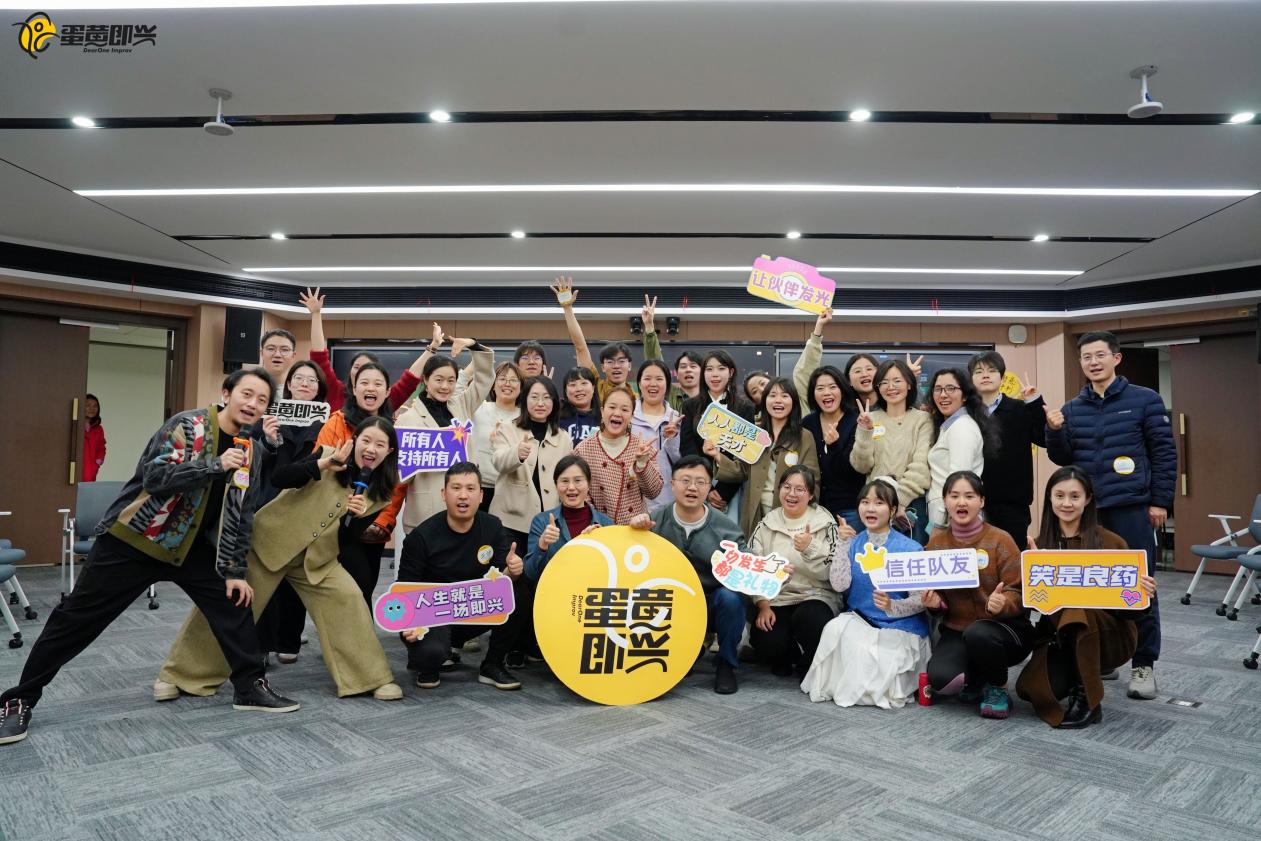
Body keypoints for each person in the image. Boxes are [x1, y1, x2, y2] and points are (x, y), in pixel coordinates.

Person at [0, 368, 299, 746]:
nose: (253, 404)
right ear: (227, 393)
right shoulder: (188, 426)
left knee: (234, 601)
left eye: (262, 400)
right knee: (74, 620)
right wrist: (215, 465)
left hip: (189, 548)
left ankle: (249, 685)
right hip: (135, 540)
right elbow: (155, 477)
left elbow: (242, 515)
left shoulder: (251, 450)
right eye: (247, 394)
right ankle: (19, 699)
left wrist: (235, 570)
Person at [155, 417, 405, 703]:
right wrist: (323, 464)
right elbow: (280, 478)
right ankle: (179, 675)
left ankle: (371, 679)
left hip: (317, 560)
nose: (371, 448)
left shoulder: (380, 493)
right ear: (355, 440)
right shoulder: (327, 455)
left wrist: (356, 518)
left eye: (380, 444)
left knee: (350, 600)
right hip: (269, 545)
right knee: (229, 606)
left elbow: (347, 540)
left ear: (389, 451)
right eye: (366, 440)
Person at [1045, 330, 1175, 701]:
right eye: (1087, 357)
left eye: (1100, 355)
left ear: (1116, 358)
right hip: (1088, 513)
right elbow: (1062, 457)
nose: (1093, 362)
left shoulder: (1145, 400)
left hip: (1132, 506)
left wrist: (1160, 502)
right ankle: (1105, 653)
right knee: (1092, 583)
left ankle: (1143, 664)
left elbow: (1164, 453)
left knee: (1138, 584)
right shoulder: (1073, 408)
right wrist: (1054, 431)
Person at [1015, 467, 1158, 728]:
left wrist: (1142, 594)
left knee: (1076, 609)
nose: (1066, 503)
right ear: (1049, 498)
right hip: (1060, 638)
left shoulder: (1111, 543)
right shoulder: (1038, 545)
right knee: (1030, 690)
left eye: (1075, 496)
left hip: (1110, 635)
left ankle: (1089, 701)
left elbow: (1132, 612)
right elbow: (1027, 603)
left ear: (1088, 499)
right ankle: (1076, 680)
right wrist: (1031, 574)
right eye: (1059, 496)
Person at [396, 462, 528, 691]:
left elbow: (501, 580)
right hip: (433, 616)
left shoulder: (493, 526)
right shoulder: (421, 536)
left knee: (519, 588)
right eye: (456, 488)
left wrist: (512, 571)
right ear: (444, 494)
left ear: (481, 495)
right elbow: (404, 590)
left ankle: (492, 664)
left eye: (470, 488)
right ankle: (427, 659)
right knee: (430, 655)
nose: (463, 495)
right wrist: (410, 623)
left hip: (474, 610)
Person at [802, 479, 931, 709]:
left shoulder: (911, 548)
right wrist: (842, 544)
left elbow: (921, 600)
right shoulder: (853, 542)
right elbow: (839, 585)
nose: (870, 508)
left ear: (893, 510)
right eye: (865, 502)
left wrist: (892, 606)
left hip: (901, 627)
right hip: (861, 620)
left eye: (879, 503)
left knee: (870, 663)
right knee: (833, 630)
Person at [629, 456, 748, 694]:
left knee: (732, 598)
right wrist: (633, 530)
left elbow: (746, 560)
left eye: (700, 482)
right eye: (685, 480)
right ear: (672, 484)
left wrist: (774, 572)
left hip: (711, 604)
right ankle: (684, 652)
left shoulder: (725, 526)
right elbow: (631, 559)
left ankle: (725, 664)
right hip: (671, 603)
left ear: (709, 487)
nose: (692, 487)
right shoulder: (655, 521)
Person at [923, 471, 1032, 720]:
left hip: (1003, 630)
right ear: (945, 501)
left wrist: (1004, 603)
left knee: (979, 633)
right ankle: (978, 676)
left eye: (969, 496)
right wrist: (935, 604)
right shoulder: (936, 544)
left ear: (981, 501)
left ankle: (997, 687)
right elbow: (937, 596)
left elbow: (1021, 592)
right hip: (957, 630)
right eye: (954, 496)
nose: (961, 502)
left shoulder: (1000, 539)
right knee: (941, 680)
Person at [256, 359, 328, 662]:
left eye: (312, 380)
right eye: (299, 378)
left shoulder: (327, 421)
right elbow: (255, 459)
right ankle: (261, 645)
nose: (305, 384)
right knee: (264, 576)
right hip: (271, 503)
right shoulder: (270, 415)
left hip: (306, 504)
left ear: (319, 388)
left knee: (296, 575)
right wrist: (268, 440)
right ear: (289, 384)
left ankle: (288, 640)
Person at [394, 327, 495, 531]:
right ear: (425, 380)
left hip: (463, 508)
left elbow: (484, 380)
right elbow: (397, 473)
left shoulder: (462, 404)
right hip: (425, 511)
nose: (445, 387)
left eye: (451, 381)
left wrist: (473, 345)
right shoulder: (406, 419)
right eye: (438, 380)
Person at [316, 361, 403, 594]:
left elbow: (397, 483)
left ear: (387, 392)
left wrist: (381, 522)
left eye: (378, 384)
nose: (370, 388)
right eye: (364, 382)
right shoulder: (335, 423)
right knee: (335, 592)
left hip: (373, 528)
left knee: (365, 587)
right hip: (334, 525)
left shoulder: (396, 429)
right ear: (354, 389)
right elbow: (321, 470)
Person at [747, 466, 841, 678]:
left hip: (815, 595)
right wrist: (763, 604)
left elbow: (834, 574)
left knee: (812, 620)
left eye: (800, 489)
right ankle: (789, 654)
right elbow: (752, 568)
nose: (792, 493)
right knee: (765, 640)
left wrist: (810, 548)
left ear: (811, 494)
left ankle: (809, 661)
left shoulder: (825, 523)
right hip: (777, 598)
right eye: (787, 487)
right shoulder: (766, 524)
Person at [710, 377, 820, 537]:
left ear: (794, 402)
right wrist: (716, 455)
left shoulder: (804, 436)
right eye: (772, 395)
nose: (778, 400)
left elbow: (812, 479)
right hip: (756, 511)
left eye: (784, 396)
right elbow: (741, 470)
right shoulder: (754, 434)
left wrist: (805, 513)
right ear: (765, 401)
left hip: (791, 515)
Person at [793, 308, 865, 530]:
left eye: (832, 387)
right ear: (813, 394)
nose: (827, 393)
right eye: (820, 388)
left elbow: (854, 471)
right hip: (814, 508)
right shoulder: (808, 423)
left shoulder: (855, 421)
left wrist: (833, 447)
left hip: (850, 509)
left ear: (842, 390)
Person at [301, 288, 425, 413]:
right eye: (357, 367)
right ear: (350, 371)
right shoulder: (337, 391)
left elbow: (410, 380)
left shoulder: (386, 399)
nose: (361, 371)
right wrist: (316, 314)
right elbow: (319, 358)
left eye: (366, 367)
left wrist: (432, 347)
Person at [849, 358, 933, 541]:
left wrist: (898, 502)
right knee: (874, 557)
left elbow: (921, 467)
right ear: (878, 387)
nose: (891, 387)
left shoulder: (923, 419)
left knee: (911, 556)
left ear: (909, 384)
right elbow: (861, 466)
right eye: (884, 382)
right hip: (875, 506)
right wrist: (865, 431)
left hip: (910, 506)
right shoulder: (869, 418)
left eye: (897, 381)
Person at [968, 351, 1045, 548]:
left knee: (1012, 556)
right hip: (973, 499)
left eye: (992, 370)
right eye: (979, 371)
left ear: (1002, 377)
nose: (985, 375)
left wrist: (1035, 402)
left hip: (1013, 503)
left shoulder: (1020, 408)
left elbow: (1044, 438)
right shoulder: (966, 413)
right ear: (971, 379)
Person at [551, 277, 667, 403]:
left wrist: (649, 328)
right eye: (610, 362)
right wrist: (567, 309)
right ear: (602, 367)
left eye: (621, 361)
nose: (616, 366)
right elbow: (580, 348)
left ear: (629, 366)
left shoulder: (638, 399)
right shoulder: (594, 388)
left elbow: (656, 367)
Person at [490, 377, 573, 546]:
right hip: (510, 520)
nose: (540, 403)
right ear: (525, 399)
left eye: (546, 397)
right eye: (534, 397)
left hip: (549, 521)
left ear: (554, 402)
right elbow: (498, 461)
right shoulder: (507, 429)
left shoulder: (564, 437)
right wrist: (517, 454)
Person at [679, 349, 757, 513]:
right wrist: (706, 488)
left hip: (732, 486)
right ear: (703, 373)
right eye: (709, 369)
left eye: (721, 368)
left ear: (731, 372)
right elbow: (687, 448)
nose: (715, 374)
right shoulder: (690, 406)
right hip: (698, 484)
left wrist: (723, 493)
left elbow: (746, 454)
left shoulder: (745, 408)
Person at [574, 385, 664, 524]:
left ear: (632, 416)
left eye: (624, 409)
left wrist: (642, 464)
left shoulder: (642, 448)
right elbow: (580, 495)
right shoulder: (583, 450)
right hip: (598, 528)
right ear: (602, 411)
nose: (617, 413)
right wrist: (596, 522)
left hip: (635, 527)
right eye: (612, 407)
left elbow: (653, 492)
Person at [925, 367, 997, 532]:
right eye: (938, 389)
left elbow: (960, 482)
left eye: (950, 388)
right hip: (947, 515)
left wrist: (941, 523)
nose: (943, 394)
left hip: (952, 519)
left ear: (964, 396)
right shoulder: (949, 425)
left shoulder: (962, 427)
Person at [523, 455, 614, 581]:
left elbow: (613, 570)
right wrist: (543, 544)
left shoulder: (606, 524)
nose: (571, 487)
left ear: (589, 484)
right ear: (556, 485)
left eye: (578, 480)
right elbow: (531, 574)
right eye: (564, 481)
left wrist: (595, 542)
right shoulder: (542, 521)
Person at [631, 360, 683, 512]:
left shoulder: (675, 418)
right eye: (647, 378)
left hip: (666, 499)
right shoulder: (627, 414)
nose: (653, 384)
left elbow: (680, 461)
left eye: (659, 379)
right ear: (639, 383)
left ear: (667, 384)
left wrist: (672, 437)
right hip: (631, 498)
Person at [473, 362, 523, 512]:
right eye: (502, 379)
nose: (507, 384)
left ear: (521, 387)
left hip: (510, 490)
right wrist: (476, 362)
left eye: (513, 380)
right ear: (493, 385)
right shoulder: (478, 408)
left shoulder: (525, 417)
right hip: (478, 486)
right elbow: (456, 396)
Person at [559, 367, 601, 445]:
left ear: (593, 388)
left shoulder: (604, 418)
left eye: (584, 383)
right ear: (566, 391)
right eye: (573, 385)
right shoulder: (557, 418)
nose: (579, 389)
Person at [258, 328, 298, 396]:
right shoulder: (247, 384)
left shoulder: (299, 390)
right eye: (271, 349)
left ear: (293, 356)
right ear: (261, 353)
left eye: (284, 350)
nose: (277, 355)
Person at [82, 393, 106, 482]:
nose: (92, 409)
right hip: (75, 468)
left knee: (87, 489)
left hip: (91, 469)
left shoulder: (98, 429)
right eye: (88, 405)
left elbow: (101, 447)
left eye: (95, 406)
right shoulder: (75, 426)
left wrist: (98, 462)